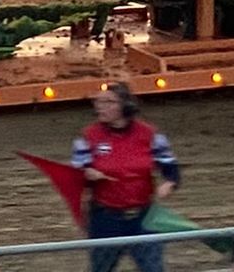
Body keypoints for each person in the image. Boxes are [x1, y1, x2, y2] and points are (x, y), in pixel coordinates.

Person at [73, 82, 180, 272]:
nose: (100, 106)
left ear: (125, 106)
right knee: (101, 268)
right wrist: (87, 175)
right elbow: (74, 176)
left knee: (153, 268)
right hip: (105, 219)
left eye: (108, 102)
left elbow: (170, 168)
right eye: (98, 101)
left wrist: (169, 184)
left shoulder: (150, 134)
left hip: (144, 216)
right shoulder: (88, 136)